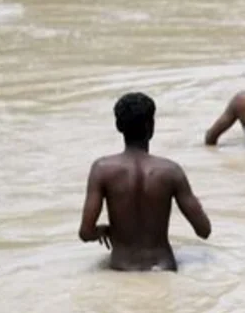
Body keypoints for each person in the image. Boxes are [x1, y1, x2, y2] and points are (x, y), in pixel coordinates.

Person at [79, 93, 212, 272]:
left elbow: (86, 233)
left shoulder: (102, 169)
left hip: (122, 271)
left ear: (118, 126)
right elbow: (204, 230)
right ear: (151, 126)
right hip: (163, 269)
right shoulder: (171, 171)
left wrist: (103, 230)